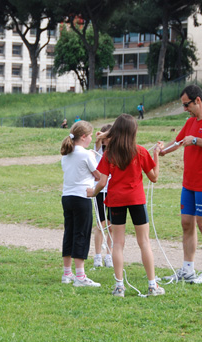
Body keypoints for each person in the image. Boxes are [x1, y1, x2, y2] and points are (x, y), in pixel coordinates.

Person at [87, 114, 165, 297]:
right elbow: (154, 177)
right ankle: (152, 285)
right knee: (144, 242)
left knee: (118, 244)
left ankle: (119, 286)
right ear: (133, 131)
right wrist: (156, 156)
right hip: (136, 199)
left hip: (116, 200)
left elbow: (102, 181)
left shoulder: (110, 154)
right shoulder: (140, 151)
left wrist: (94, 192)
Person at [159, 84, 202, 285]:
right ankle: (187, 269)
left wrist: (196, 140)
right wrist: (161, 151)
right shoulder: (190, 122)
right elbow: (178, 142)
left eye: (186, 105)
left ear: (197, 100)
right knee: (186, 223)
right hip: (189, 182)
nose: (185, 109)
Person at [60, 121, 101, 287]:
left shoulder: (67, 153)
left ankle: (67, 272)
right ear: (83, 137)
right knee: (81, 234)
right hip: (81, 197)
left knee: (69, 232)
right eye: (90, 136)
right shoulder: (86, 154)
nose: (91, 138)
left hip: (67, 197)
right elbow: (98, 175)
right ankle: (80, 276)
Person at [92, 124, 113, 269]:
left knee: (112, 225)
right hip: (100, 191)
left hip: (113, 191)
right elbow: (98, 141)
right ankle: (98, 256)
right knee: (101, 224)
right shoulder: (99, 150)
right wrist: (101, 135)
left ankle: (109, 256)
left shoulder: (116, 151)